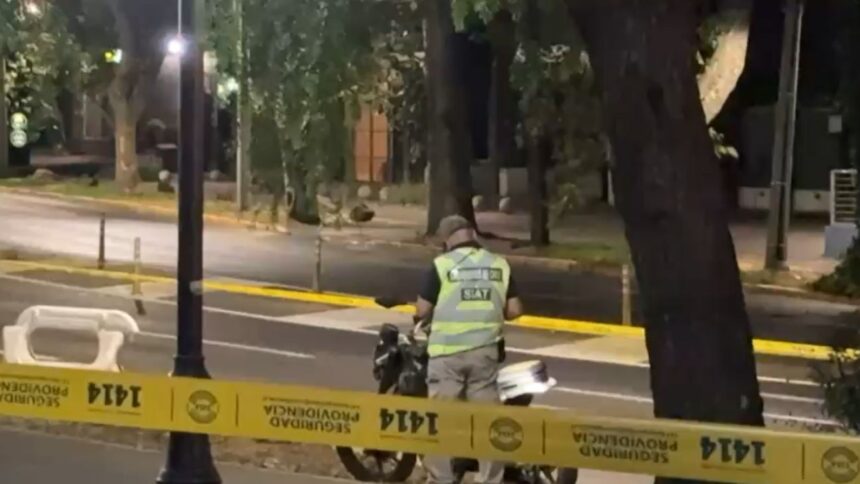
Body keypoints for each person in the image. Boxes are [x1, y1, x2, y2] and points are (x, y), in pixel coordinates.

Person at [416, 215, 524, 484]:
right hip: (484, 356)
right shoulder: (499, 264)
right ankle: (490, 480)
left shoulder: (442, 265)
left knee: (439, 423)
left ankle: (441, 480)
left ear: (446, 239)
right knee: (489, 424)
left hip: (446, 356)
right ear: (473, 234)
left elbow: (422, 310)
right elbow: (515, 310)